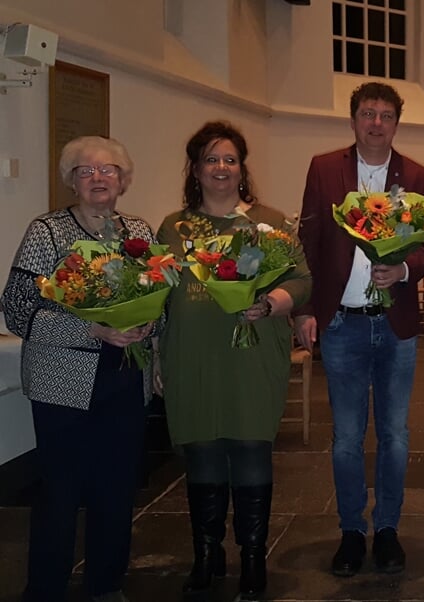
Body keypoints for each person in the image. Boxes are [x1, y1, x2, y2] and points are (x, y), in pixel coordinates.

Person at [156, 121, 311, 601]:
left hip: (253, 348)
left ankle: (251, 556)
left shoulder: (269, 223)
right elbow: (156, 291)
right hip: (192, 350)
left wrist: (270, 303)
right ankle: (206, 555)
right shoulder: (172, 227)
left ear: (242, 169)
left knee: (249, 446)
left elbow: (301, 280)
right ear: (195, 169)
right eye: (210, 159)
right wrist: (156, 353)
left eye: (229, 159)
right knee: (201, 447)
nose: (220, 168)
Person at [2, 136, 154, 602]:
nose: (98, 179)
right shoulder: (46, 232)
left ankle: (106, 584)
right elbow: (17, 308)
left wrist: (149, 321)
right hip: (62, 381)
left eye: (108, 170)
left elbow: (158, 295)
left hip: (124, 376)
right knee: (60, 494)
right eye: (86, 172)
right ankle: (45, 589)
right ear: (72, 180)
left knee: (115, 488)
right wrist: (92, 330)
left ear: (123, 180)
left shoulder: (140, 232)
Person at [293, 82, 424, 577]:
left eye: (386, 115)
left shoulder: (417, 175)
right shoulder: (325, 167)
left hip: (394, 324)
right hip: (342, 324)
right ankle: (352, 530)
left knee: (395, 434)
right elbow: (307, 240)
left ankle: (389, 528)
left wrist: (404, 270)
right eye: (368, 114)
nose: (376, 123)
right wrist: (305, 309)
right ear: (353, 120)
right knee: (347, 437)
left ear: (397, 122)